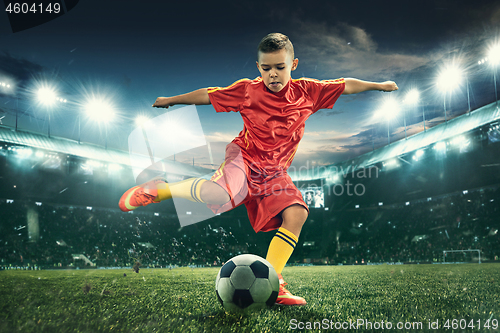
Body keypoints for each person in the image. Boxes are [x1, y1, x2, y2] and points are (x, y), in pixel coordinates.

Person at [119, 33, 398, 306]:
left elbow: (345, 84)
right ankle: (159, 190)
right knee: (217, 195)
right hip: (244, 158)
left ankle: (273, 283)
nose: (273, 74)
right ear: (258, 68)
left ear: (294, 65)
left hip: (274, 172)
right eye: (266, 68)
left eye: (280, 67)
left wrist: (380, 85)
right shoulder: (247, 91)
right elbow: (209, 94)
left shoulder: (309, 92)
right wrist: (172, 100)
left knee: (297, 213)